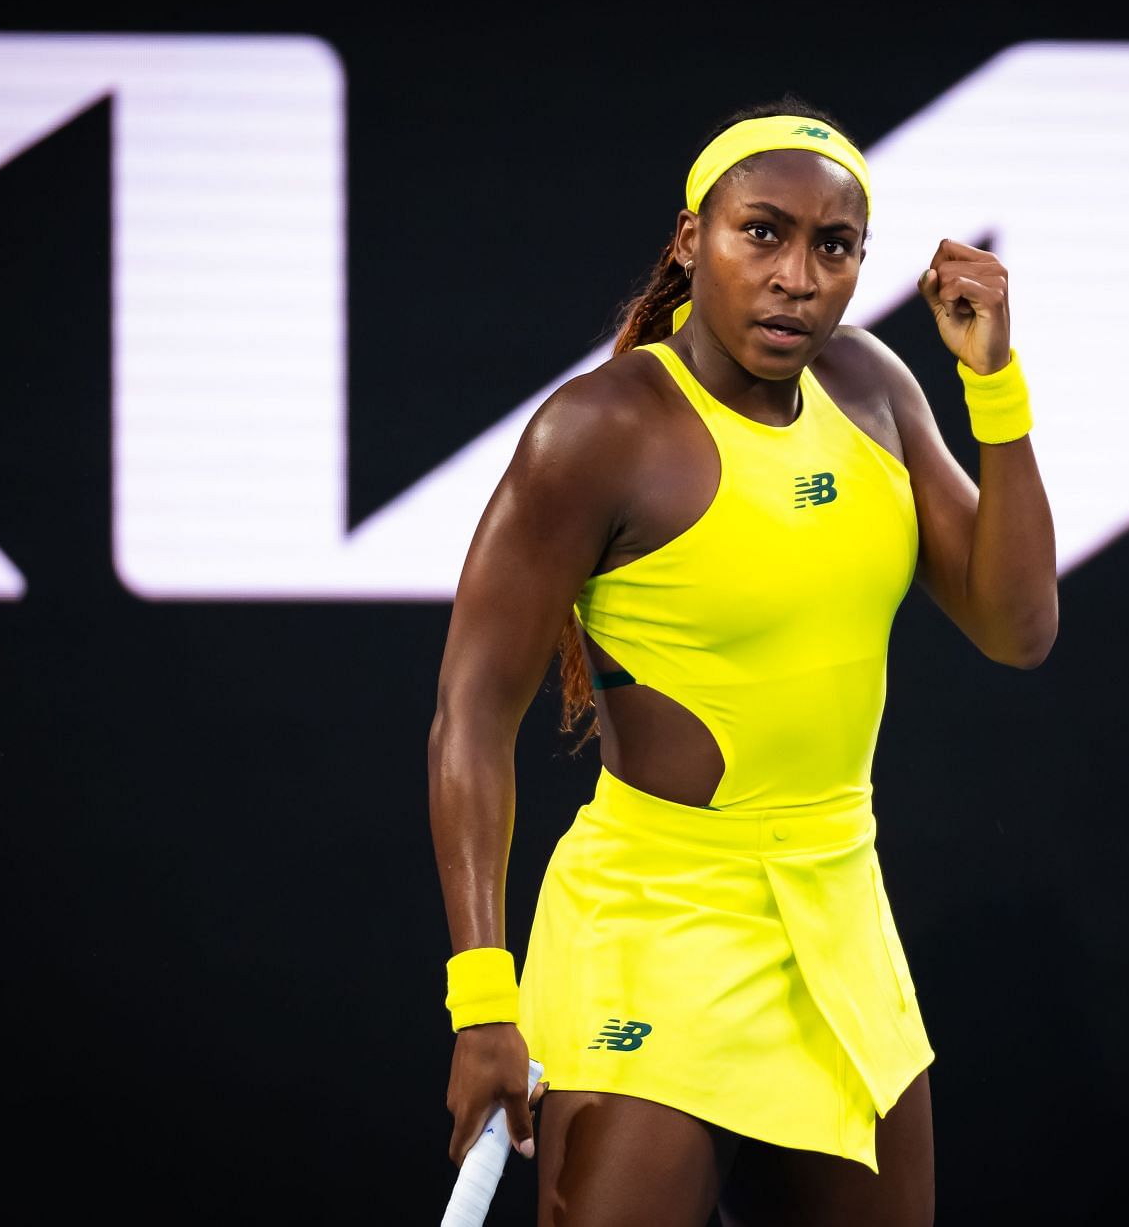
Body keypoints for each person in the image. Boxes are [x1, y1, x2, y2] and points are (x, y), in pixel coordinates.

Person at [429, 96, 1058, 1227]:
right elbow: (471, 713)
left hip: (840, 920)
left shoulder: (872, 389)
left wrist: (992, 384)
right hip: (653, 926)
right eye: (760, 232)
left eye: (834, 246)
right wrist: (484, 998)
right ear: (690, 242)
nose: (797, 276)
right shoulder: (598, 431)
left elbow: (1019, 628)